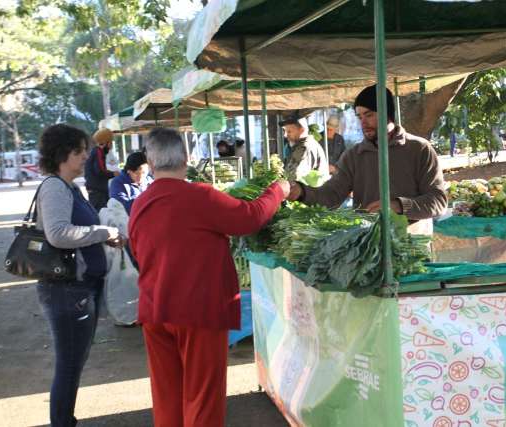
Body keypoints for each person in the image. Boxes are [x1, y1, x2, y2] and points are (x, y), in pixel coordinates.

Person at [129, 128, 289, 427]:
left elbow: (137, 252)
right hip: (197, 311)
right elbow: (250, 217)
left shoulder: (140, 203)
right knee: (202, 397)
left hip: (154, 310)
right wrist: (278, 190)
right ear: (186, 159)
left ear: (150, 162)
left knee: (167, 396)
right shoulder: (199, 196)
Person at [35, 124, 124, 427]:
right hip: (67, 290)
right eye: (79, 150)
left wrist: (102, 237)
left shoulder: (70, 186)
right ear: (63, 154)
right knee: (70, 363)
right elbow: (58, 234)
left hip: (78, 287)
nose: (86, 155)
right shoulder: (54, 187)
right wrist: (104, 231)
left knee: (74, 361)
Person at [288, 85, 447, 221]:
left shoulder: (419, 149)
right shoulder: (353, 156)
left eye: (369, 115)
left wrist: (399, 205)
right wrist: (302, 192)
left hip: (411, 245)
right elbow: (331, 195)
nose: (363, 123)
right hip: (369, 246)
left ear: (387, 113)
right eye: (359, 117)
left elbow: (438, 201)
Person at [281, 111, 329, 182]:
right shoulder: (310, 144)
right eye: (285, 131)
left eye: (289, 131)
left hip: (307, 192)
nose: (285, 135)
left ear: (301, 130)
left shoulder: (304, 148)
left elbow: (294, 178)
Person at [85, 128, 119, 211]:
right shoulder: (98, 152)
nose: (111, 145)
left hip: (96, 190)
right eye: (111, 142)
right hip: (97, 192)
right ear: (106, 142)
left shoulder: (97, 152)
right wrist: (113, 174)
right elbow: (100, 171)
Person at [109, 151, 151, 215]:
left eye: (144, 173)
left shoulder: (150, 181)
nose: (141, 177)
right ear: (128, 171)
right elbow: (122, 207)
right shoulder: (117, 183)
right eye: (137, 173)